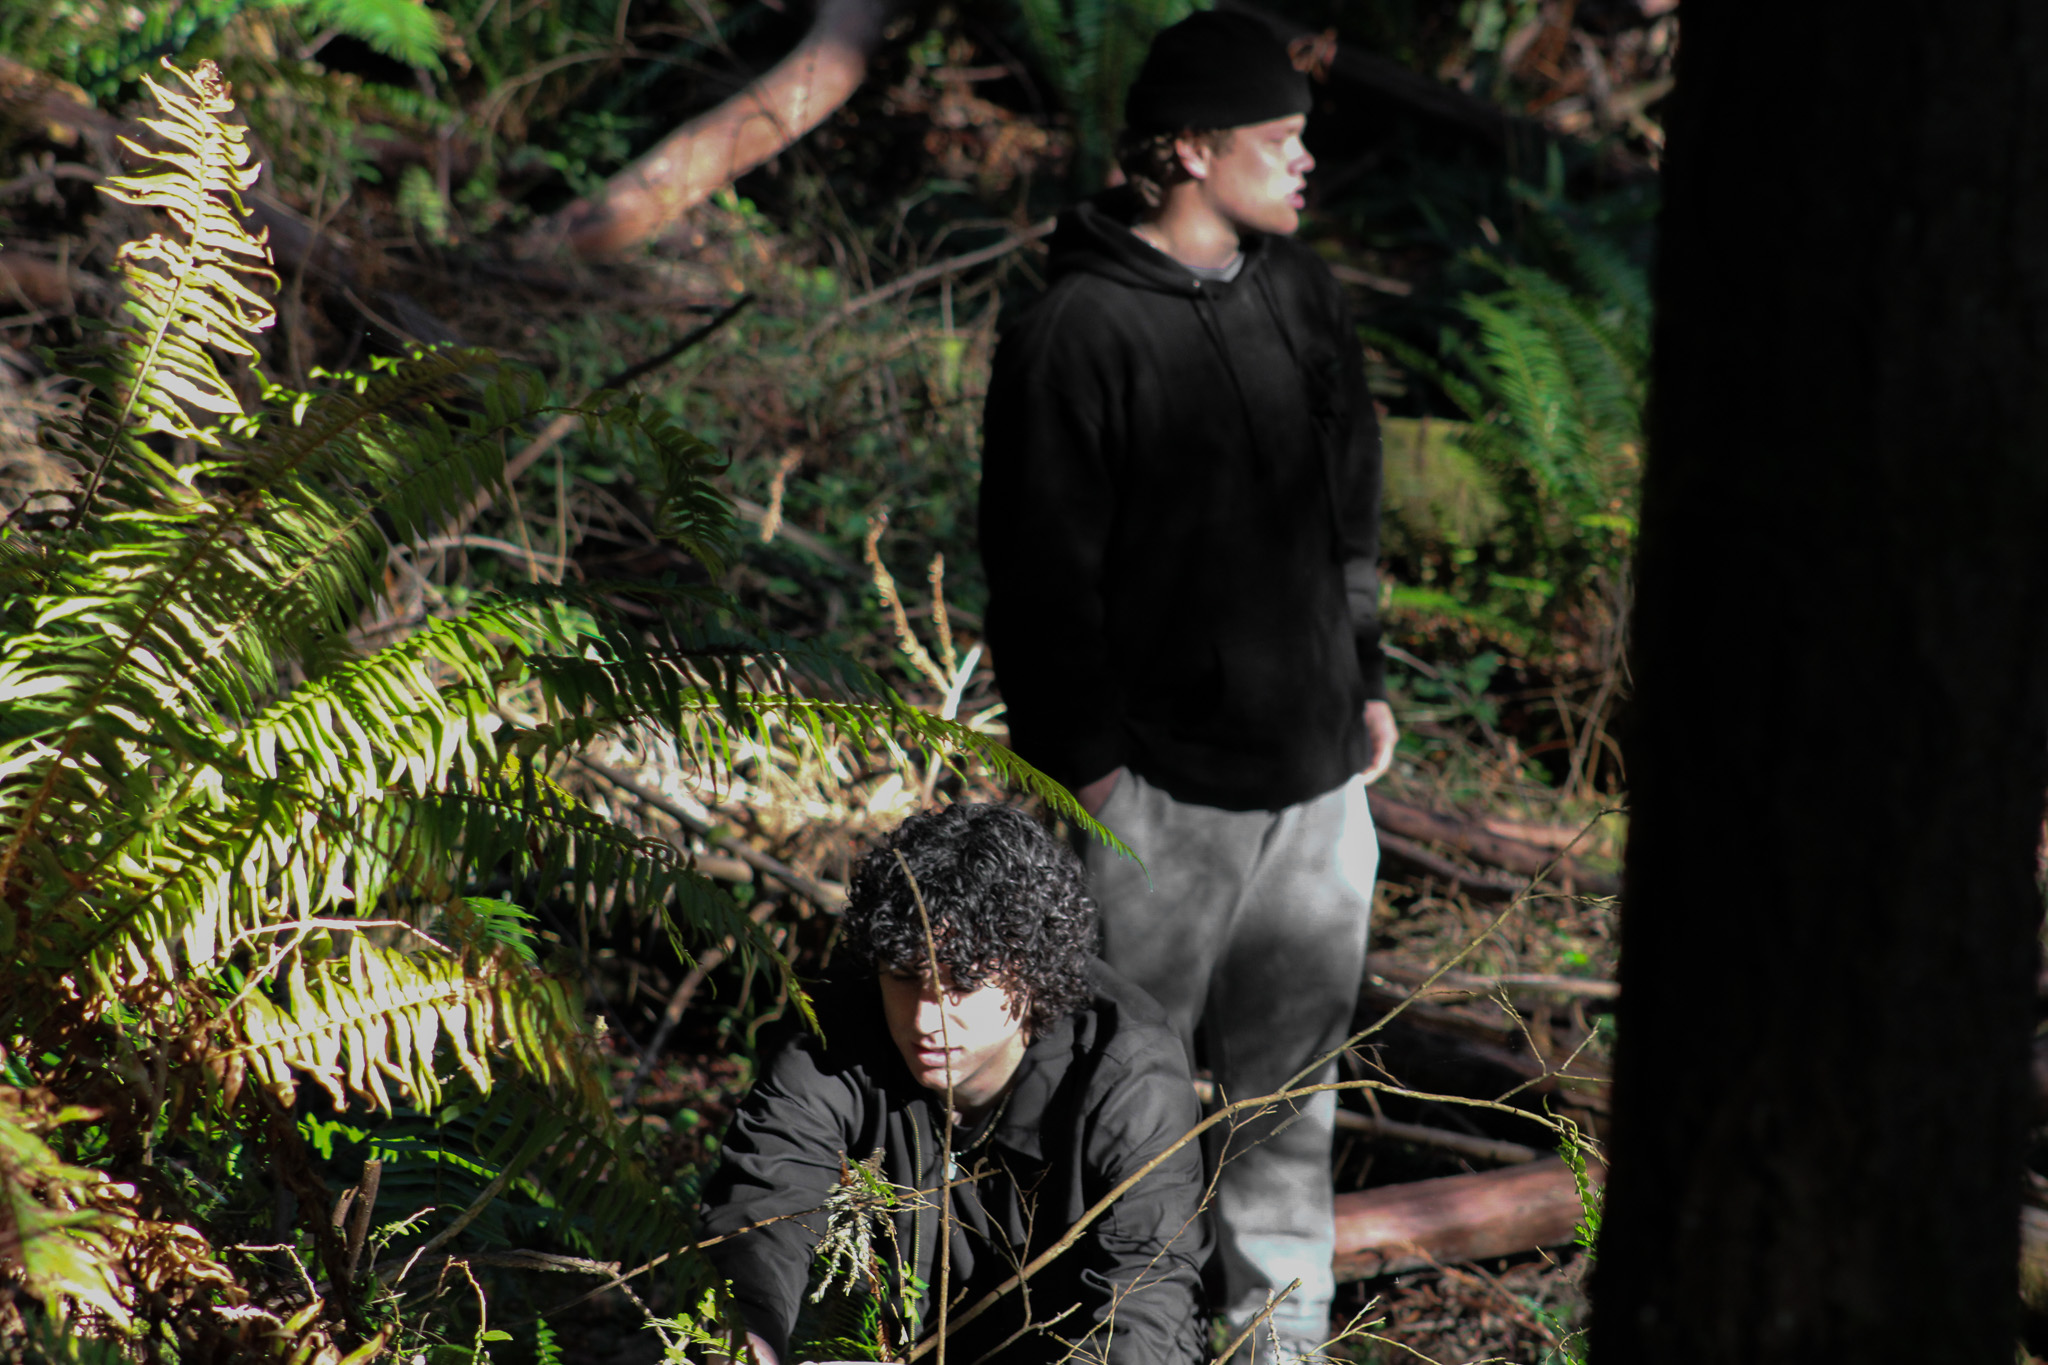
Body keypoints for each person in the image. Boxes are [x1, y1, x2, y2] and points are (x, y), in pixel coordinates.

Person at [976, 13, 1394, 1363]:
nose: (1304, 161)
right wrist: (1091, 771)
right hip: (1153, 803)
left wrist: (1365, 682)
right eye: (1277, 140)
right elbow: (1039, 575)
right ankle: (1107, 1340)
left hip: (1318, 790)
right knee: (1117, 1102)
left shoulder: (1303, 296)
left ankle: (1283, 1343)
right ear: (1189, 149)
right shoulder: (1077, 332)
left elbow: (1352, 512)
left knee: (1291, 1107)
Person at [698, 804, 1211, 1365]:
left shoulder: (1127, 1071)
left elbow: (1147, 1298)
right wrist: (750, 1333)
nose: (925, 1018)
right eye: (906, 979)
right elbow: (765, 1195)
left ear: (1033, 974)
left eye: (961, 984)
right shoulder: (838, 1022)